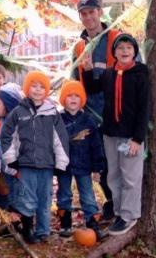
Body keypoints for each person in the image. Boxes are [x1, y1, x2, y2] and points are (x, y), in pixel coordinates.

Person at [82, 34, 149, 235]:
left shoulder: (140, 74)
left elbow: (144, 108)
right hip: (110, 133)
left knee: (130, 177)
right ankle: (119, 213)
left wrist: (138, 138)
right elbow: (93, 89)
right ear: (115, 52)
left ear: (134, 52)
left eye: (129, 48)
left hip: (130, 136)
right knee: (114, 175)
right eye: (121, 48)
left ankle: (129, 215)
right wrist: (87, 71)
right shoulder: (110, 74)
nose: (125, 51)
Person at [0, 71, 69, 244]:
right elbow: (7, 136)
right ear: (27, 88)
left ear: (46, 91)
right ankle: (28, 229)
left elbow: (60, 139)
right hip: (25, 163)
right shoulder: (18, 112)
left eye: (41, 87)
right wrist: (11, 159)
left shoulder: (52, 113)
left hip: (46, 164)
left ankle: (43, 231)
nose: (37, 90)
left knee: (45, 198)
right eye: (34, 86)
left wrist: (61, 162)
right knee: (27, 198)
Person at [72, 0, 121, 220]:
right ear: (80, 17)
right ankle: (111, 203)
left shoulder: (116, 39)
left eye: (92, 11)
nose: (89, 17)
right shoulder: (79, 47)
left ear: (100, 12)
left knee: (119, 164)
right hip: (91, 115)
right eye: (84, 13)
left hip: (115, 113)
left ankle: (123, 207)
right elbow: (75, 83)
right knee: (100, 163)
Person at [56, 80, 105, 240]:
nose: (73, 99)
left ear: (82, 99)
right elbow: (53, 143)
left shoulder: (88, 121)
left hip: (84, 165)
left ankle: (92, 223)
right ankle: (65, 223)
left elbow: (96, 145)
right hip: (64, 165)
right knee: (64, 194)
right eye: (69, 95)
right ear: (64, 99)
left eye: (77, 96)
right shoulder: (58, 120)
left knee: (88, 195)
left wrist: (98, 167)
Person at [0, 82, 23, 210]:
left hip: (19, 171)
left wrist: (17, 165)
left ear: (9, 105)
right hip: (5, 170)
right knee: (9, 196)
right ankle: (10, 223)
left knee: (20, 198)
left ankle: (25, 225)